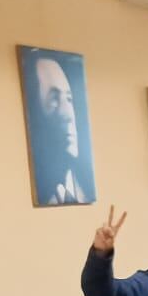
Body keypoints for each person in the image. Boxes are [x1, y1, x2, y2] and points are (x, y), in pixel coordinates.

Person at [27, 53, 92, 205]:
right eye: (54, 100)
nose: (68, 115)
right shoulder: (45, 193)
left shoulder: (86, 190)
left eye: (69, 99)